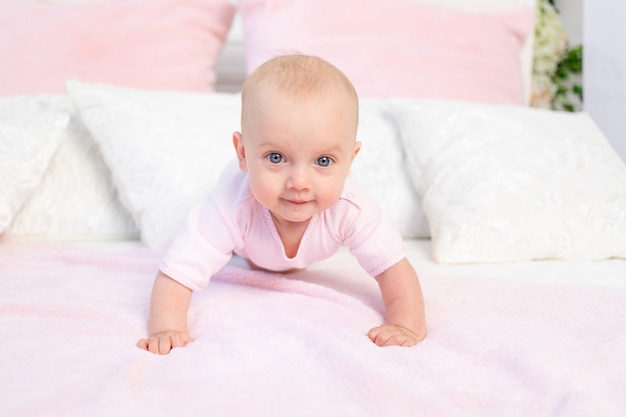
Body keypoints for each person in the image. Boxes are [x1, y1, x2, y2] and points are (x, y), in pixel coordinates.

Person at [137, 55, 426, 355]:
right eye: (276, 157)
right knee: (235, 236)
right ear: (243, 154)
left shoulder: (351, 208)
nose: (299, 182)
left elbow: (395, 271)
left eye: (323, 161)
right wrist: (167, 328)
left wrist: (405, 325)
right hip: (248, 240)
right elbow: (177, 273)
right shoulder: (230, 207)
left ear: (350, 160)